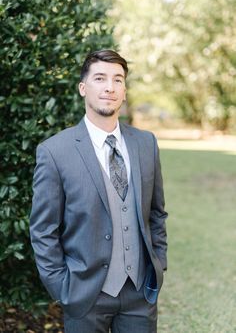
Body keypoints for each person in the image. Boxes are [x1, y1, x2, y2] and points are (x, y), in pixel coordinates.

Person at [30, 49, 168, 333]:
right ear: (83, 88)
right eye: (100, 78)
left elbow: (156, 212)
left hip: (139, 294)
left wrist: (159, 262)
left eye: (118, 80)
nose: (109, 87)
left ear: (125, 91)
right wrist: (61, 287)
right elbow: (43, 230)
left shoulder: (145, 144)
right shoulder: (55, 152)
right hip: (84, 294)